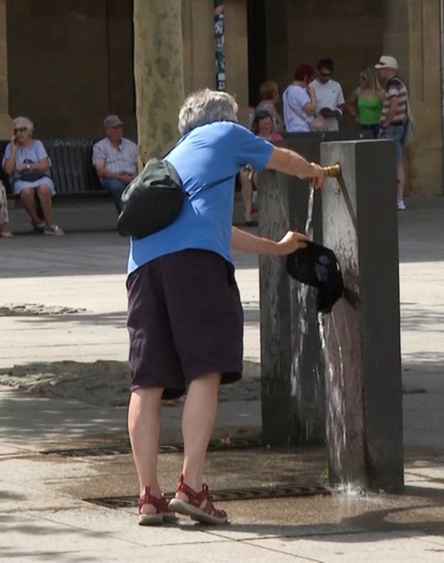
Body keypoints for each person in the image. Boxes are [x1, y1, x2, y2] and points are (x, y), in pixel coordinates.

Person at [126, 89, 325, 527]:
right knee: (204, 370)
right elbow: (281, 159)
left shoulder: (174, 156)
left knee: (148, 381)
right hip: (193, 267)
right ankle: (192, 487)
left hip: (141, 268)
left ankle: (148, 496)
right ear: (224, 117)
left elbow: (215, 228)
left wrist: (276, 248)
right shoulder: (225, 133)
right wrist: (313, 171)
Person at [3, 117, 64, 236]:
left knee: (44, 188)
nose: (19, 133)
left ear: (29, 131)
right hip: (21, 180)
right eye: (16, 131)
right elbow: (9, 170)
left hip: (41, 177)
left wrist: (27, 166)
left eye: (22, 130)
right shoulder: (10, 147)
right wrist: (14, 150)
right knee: (26, 192)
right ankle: (38, 221)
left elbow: (45, 165)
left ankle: (49, 222)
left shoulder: (37, 144)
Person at [376, 55, 411, 211]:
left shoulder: (392, 85)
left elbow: (393, 107)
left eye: (382, 68)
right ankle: (399, 199)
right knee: (397, 161)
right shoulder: (399, 83)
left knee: (387, 162)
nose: (380, 71)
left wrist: (384, 126)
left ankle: (388, 198)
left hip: (391, 128)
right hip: (398, 127)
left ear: (388, 69)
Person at [238, 110, 283, 226]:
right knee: (244, 175)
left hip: (272, 168)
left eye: (269, 124)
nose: (267, 127)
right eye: (264, 125)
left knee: (259, 176)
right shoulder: (252, 138)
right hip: (254, 167)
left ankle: (266, 212)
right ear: (258, 125)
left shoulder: (277, 138)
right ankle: (248, 215)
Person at [93, 115, 139, 214]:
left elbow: (138, 164)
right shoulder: (100, 147)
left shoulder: (131, 145)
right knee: (117, 187)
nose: (118, 130)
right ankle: (126, 216)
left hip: (132, 176)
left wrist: (135, 175)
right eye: (115, 128)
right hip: (112, 178)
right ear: (107, 131)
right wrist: (120, 177)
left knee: (142, 186)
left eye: (120, 127)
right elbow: (100, 170)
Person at [309, 58, 347, 131]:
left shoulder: (336, 85)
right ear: (318, 72)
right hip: (316, 127)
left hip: (333, 127)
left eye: (329, 75)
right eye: (324, 75)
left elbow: (342, 105)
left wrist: (334, 112)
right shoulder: (311, 86)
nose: (327, 77)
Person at [347, 66, 384, 138]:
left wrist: (383, 123)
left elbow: (386, 108)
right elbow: (348, 103)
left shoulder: (380, 92)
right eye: (360, 77)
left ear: (369, 79)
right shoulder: (358, 91)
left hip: (377, 125)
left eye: (363, 78)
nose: (360, 80)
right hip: (363, 125)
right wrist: (355, 116)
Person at [283, 64, 318, 133]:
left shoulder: (287, 91)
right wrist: (313, 95)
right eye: (311, 79)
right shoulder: (299, 91)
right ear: (305, 78)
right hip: (301, 128)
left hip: (290, 127)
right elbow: (311, 110)